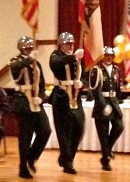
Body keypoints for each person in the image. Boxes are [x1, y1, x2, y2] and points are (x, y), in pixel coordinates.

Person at [9, 36, 51, 179]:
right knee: (25, 137)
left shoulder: (36, 64)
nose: (29, 50)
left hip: (36, 102)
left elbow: (42, 84)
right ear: (20, 48)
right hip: (23, 102)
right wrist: (28, 60)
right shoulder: (15, 61)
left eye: (30, 48)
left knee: (45, 130)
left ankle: (31, 157)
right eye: (26, 48)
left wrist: (41, 96)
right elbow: (15, 68)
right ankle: (23, 168)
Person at [49, 32, 85, 174]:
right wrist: (74, 56)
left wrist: (81, 83)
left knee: (79, 128)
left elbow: (86, 75)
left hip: (76, 97)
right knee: (64, 132)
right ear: (60, 45)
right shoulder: (55, 55)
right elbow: (57, 64)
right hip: (61, 97)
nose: (70, 45)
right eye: (67, 43)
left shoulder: (78, 57)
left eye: (72, 43)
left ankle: (66, 157)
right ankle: (68, 162)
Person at [89, 46, 124, 171]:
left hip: (113, 102)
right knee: (103, 135)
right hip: (101, 104)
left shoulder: (117, 70)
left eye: (111, 55)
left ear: (114, 57)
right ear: (102, 56)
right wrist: (103, 105)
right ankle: (105, 160)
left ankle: (107, 150)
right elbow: (94, 89)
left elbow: (118, 87)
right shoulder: (96, 70)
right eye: (106, 55)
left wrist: (117, 100)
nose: (109, 57)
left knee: (119, 126)